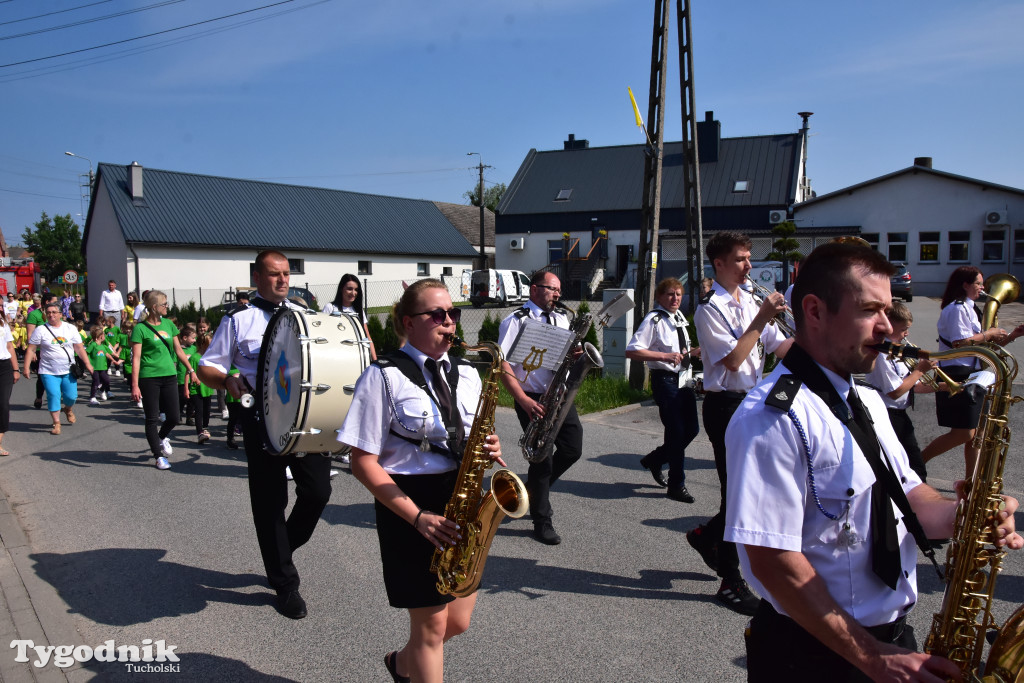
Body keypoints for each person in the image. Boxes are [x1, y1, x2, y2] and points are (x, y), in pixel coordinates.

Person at [724, 241, 1024, 681]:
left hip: (888, 640)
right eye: (870, 310)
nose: (887, 326)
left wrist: (965, 516)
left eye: (887, 309)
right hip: (814, 654)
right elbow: (771, 561)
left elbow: (908, 494)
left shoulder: (866, 399)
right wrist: (870, 656)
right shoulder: (771, 417)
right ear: (815, 310)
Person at [338, 278, 503, 683]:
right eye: (438, 315)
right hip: (410, 507)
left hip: (461, 501)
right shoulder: (382, 376)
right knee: (430, 629)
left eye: (453, 314)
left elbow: (468, 435)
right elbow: (361, 460)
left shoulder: (466, 373)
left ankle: (400, 664)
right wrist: (417, 517)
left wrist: (489, 446)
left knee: (458, 621)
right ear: (408, 323)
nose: (450, 323)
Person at [197, 250, 333, 620]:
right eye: (274, 274)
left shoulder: (303, 316)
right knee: (270, 501)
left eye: (287, 274)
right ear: (256, 277)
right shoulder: (238, 321)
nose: (283, 280)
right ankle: (285, 584)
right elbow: (206, 367)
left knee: (319, 491)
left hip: (303, 418)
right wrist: (226, 379)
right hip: (260, 421)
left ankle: (280, 550)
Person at [689, 231, 793, 615]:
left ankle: (707, 536)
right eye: (740, 259)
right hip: (725, 404)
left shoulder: (749, 300)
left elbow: (780, 346)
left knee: (749, 490)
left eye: (749, 258)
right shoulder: (708, 309)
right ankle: (730, 580)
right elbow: (732, 362)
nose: (749, 266)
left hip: (753, 400)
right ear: (719, 264)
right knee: (736, 491)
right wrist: (762, 317)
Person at [497, 271, 582, 545]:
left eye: (559, 290)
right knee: (542, 457)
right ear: (534, 289)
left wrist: (575, 353)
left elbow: (565, 353)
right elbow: (502, 364)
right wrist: (523, 400)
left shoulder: (561, 318)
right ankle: (541, 519)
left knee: (572, 448)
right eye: (551, 289)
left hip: (557, 393)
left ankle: (534, 488)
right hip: (531, 396)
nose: (557, 295)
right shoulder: (516, 320)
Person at [920, 266, 1024, 476]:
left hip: (973, 373)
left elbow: (982, 347)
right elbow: (960, 343)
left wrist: (1013, 335)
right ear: (965, 285)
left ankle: (971, 481)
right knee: (964, 433)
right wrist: (989, 333)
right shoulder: (957, 308)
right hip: (956, 373)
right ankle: (917, 462)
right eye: (978, 283)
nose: (982, 287)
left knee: (978, 433)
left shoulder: (969, 308)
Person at [625, 277, 701, 502]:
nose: (675, 298)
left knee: (691, 430)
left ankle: (655, 459)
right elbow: (633, 351)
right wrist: (664, 356)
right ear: (659, 297)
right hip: (665, 380)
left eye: (678, 294)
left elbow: (681, 350)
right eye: (670, 294)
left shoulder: (678, 318)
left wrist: (694, 352)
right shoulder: (654, 319)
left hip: (683, 379)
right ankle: (677, 485)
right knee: (676, 431)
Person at [864, 302, 936, 482]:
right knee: (912, 465)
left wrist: (943, 386)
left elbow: (913, 386)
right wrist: (920, 370)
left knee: (912, 463)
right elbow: (895, 392)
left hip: (899, 414)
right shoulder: (882, 354)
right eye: (903, 329)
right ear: (889, 327)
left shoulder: (898, 350)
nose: (907, 334)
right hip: (887, 414)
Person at [130, 290, 197, 470]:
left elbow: (179, 350)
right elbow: (135, 359)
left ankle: (160, 438)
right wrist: (135, 385)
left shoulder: (168, 325)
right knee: (152, 418)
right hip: (149, 377)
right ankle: (158, 456)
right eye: (164, 304)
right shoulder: (140, 329)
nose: (167, 307)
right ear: (154, 307)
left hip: (169, 375)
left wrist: (191, 370)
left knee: (174, 416)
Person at [23, 303, 94, 435]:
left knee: (71, 396)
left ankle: (68, 409)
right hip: (48, 371)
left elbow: (78, 347)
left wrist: (88, 364)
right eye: (48, 312)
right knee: (53, 395)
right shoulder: (41, 330)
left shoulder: (70, 328)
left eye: (54, 312)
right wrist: (26, 367)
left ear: (61, 314)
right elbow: (31, 348)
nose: (51, 315)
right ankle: (56, 423)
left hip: (68, 370)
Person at [321, 273, 378, 362]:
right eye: (349, 289)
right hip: (335, 358)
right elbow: (323, 334)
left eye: (356, 290)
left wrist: (375, 361)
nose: (353, 293)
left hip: (356, 358)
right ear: (341, 289)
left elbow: (367, 337)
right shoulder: (330, 308)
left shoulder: (359, 310)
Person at [0, 308, 20, 455]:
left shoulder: (3, 324)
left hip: (4, 366)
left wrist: (16, 369)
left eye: (1, 305)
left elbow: (9, 347)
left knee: (3, 404)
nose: (1, 308)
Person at [85, 325, 117, 405]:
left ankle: (101, 390)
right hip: (94, 367)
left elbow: (107, 354)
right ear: (100, 337)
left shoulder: (103, 346)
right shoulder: (93, 345)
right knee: (96, 381)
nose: (105, 337)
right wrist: (87, 363)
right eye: (103, 335)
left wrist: (113, 360)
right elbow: (86, 353)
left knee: (107, 380)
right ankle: (92, 397)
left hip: (103, 367)